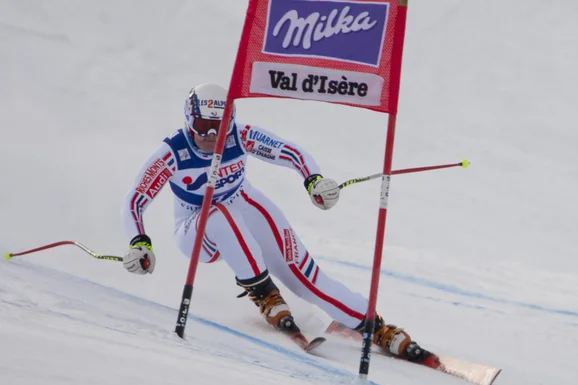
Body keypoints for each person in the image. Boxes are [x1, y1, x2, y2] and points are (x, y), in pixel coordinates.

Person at [121, 83, 432, 363]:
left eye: (219, 127)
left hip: (241, 201)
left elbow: (289, 151)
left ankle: (374, 327)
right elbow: (135, 200)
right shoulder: (172, 152)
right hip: (194, 227)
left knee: (306, 278)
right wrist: (139, 242)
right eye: (203, 126)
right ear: (189, 120)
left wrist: (314, 180)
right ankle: (264, 293)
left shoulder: (240, 136)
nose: (211, 137)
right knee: (218, 215)